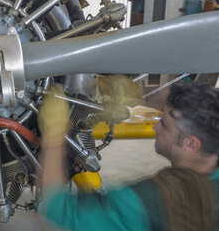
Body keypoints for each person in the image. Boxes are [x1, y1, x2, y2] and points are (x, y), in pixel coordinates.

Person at [38, 81, 219, 231]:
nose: (155, 127)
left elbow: (57, 207)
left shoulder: (150, 202)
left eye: (163, 124)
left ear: (190, 144)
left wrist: (53, 134)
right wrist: (138, 91)